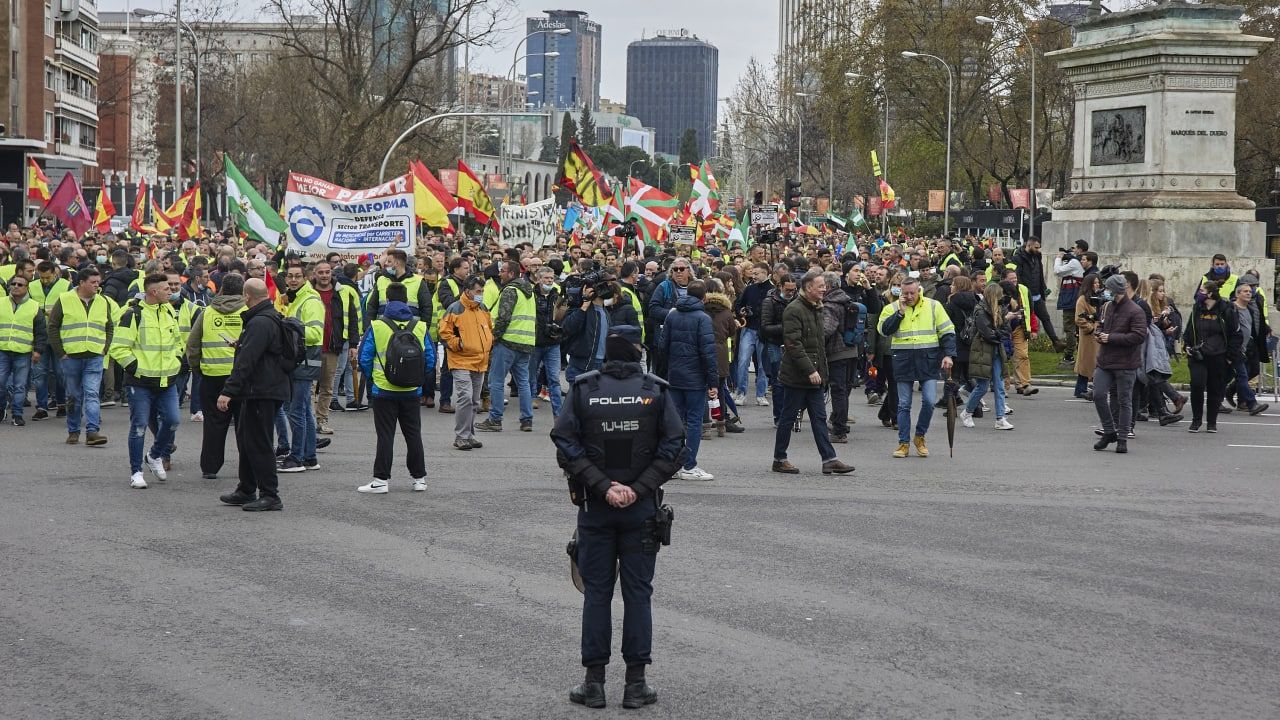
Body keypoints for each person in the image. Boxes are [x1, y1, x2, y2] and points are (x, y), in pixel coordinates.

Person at [550, 325, 686, 711]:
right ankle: (635, 684)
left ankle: (594, 684)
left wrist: (603, 486)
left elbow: (565, 443)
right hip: (641, 508)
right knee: (638, 594)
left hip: (595, 507)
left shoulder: (584, 388)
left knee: (597, 594)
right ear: (636, 350)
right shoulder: (655, 390)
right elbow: (675, 445)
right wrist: (638, 489)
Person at [217, 278, 290, 511]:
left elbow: (246, 362)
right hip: (261, 389)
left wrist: (228, 391)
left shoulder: (259, 322)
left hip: (261, 390)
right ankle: (246, 488)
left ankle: (270, 494)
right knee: (247, 441)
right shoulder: (269, 317)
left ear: (246, 297)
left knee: (259, 443)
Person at [771, 271, 855, 475]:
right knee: (788, 418)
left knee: (819, 418)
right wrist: (810, 370)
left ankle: (829, 459)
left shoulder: (817, 308)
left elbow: (818, 346)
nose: (824, 289)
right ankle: (779, 459)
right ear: (808, 288)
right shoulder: (794, 310)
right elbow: (793, 345)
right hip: (797, 376)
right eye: (820, 286)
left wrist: (821, 373)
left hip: (815, 376)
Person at [355, 282, 435, 494]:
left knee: (385, 435)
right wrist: (417, 379)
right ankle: (419, 478)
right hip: (411, 391)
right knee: (413, 434)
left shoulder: (377, 326)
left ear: (387, 301)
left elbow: (364, 358)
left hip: (384, 389)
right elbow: (430, 359)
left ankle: (381, 480)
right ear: (407, 300)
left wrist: (375, 378)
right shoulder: (419, 326)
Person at [108, 273, 182, 489]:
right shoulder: (132, 314)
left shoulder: (168, 310)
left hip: (166, 380)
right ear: (153, 291)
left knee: (173, 420)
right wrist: (136, 369)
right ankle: (136, 472)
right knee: (139, 426)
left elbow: (178, 341)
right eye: (166, 288)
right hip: (140, 383)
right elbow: (118, 348)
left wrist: (177, 359)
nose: (171, 291)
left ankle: (154, 455)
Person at [877, 277, 957, 459]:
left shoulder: (933, 305)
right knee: (904, 404)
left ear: (919, 290)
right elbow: (883, 330)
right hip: (903, 360)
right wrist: (899, 313)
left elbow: (947, 331)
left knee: (929, 401)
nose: (909, 296)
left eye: (913, 292)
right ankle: (903, 442)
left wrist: (948, 355)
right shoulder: (891, 308)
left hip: (927, 360)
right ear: (900, 292)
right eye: (905, 293)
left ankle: (920, 436)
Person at [186, 272, 246, 479]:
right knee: (244, 425)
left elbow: (193, 344)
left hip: (211, 376)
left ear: (221, 288)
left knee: (213, 423)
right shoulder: (249, 311)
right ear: (242, 290)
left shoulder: (208, 311)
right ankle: (246, 468)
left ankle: (210, 467)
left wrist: (197, 368)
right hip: (241, 378)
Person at [657, 279, 717, 481]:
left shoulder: (672, 315)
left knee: (674, 422)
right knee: (693, 422)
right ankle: (689, 465)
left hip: (675, 375)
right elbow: (708, 352)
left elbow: (663, 347)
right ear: (704, 296)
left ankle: (672, 465)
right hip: (694, 378)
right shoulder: (703, 318)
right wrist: (713, 381)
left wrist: (662, 375)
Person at [48, 265, 112, 446]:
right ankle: (74, 430)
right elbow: (53, 326)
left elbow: (109, 326)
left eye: (98, 282)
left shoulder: (102, 301)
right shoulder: (65, 299)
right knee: (74, 396)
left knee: (92, 393)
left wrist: (104, 348)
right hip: (71, 357)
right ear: (82, 282)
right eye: (93, 282)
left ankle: (92, 431)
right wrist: (61, 352)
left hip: (94, 355)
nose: (97, 286)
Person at [477, 260, 536, 432]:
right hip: (525, 343)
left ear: (511, 274)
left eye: (502, 271)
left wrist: (494, 338)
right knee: (523, 382)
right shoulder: (529, 291)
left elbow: (503, 318)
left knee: (496, 381)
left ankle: (495, 419)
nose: (499, 274)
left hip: (507, 342)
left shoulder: (510, 291)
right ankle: (527, 420)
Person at [1091, 274, 1149, 452]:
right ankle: (1109, 431)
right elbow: (1104, 325)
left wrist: (1112, 338)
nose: (1105, 291)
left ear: (1116, 291)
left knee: (1125, 401)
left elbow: (1139, 335)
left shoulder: (1135, 310)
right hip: (1106, 360)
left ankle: (1122, 438)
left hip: (1126, 362)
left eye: (1107, 288)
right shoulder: (1108, 307)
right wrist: (1100, 333)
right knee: (1098, 394)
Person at [279, 261, 325, 472]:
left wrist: (291, 327)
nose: (293, 279)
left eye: (298, 276)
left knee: (296, 411)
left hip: (303, 362)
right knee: (303, 410)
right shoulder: (297, 299)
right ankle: (308, 457)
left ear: (305, 278)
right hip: (300, 361)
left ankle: (297, 457)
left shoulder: (310, 301)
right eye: (290, 276)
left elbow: (315, 334)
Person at [438, 276, 494, 450]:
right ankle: (461, 436)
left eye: (482, 291)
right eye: (478, 291)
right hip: (461, 360)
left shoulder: (483, 309)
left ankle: (469, 435)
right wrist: (458, 344)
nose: (481, 295)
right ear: (467, 291)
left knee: (474, 400)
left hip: (480, 361)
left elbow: (489, 329)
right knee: (465, 397)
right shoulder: (455, 308)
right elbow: (444, 333)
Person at [1183, 280, 1239, 433]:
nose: (1199, 293)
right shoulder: (1197, 308)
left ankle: (1211, 422)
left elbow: (1235, 334)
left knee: (1215, 388)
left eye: (1201, 290)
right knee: (1197, 385)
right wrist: (1187, 346)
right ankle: (1196, 420)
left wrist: (1229, 357)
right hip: (1198, 355)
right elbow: (1189, 330)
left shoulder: (1225, 310)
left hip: (1218, 355)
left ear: (1210, 293)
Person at [311, 261, 360, 435]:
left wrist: (354, 344)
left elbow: (353, 318)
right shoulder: (307, 292)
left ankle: (321, 421)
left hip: (332, 346)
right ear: (314, 274)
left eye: (327, 272)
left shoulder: (343, 292)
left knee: (327, 387)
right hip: (310, 347)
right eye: (321, 272)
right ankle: (308, 421)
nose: (324, 275)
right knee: (309, 387)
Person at [959, 282, 1014, 430]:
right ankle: (967, 412)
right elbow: (987, 333)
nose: (1002, 297)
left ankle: (1000, 418)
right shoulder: (981, 311)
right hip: (982, 350)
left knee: (999, 385)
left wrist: (997, 333)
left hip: (996, 349)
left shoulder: (1000, 309)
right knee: (982, 386)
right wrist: (998, 333)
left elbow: (1006, 330)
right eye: (999, 295)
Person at [820, 271, 861, 444]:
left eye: (822, 285)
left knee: (838, 391)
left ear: (828, 286)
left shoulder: (830, 305)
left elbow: (826, 330)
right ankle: (839, 424)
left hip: (837, 352)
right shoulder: (846, 299)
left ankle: (839, 430)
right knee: (844, 390)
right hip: (852, 350)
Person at [0, 274, 45, 426]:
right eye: (13, 284)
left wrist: (38, 350)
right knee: (1, 383)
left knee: (20, 385)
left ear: (27, 288)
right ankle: (1, 410)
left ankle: (17, 414)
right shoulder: (1, 303)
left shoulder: (34, 306)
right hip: (2, 350)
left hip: (23, 352)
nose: (16, 287)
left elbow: (40, 331)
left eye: (20, 285)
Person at [702, 282, 744, 435]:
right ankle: (721, 423)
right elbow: (732, 331)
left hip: (703, 351)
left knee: (704, 389)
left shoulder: (701, 310)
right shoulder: (726, 312)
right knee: (719, 388)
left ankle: (705, 425)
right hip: (720, 353)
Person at [433, 255, 472, 414]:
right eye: (465, 268)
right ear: (456, 269)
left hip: (467, 329)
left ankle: (469, 400)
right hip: (450, 330)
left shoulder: (468, 284)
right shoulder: (445, 283)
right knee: (448, 367)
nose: (468, 271)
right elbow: (449, 303)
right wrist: (466, 295)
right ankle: (445, 401)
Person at [1012, 237, 1064, 352]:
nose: (1038, 249)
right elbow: (1018, 277)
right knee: (1025, 321)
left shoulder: (1037, 256)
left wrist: (1044, 288)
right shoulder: (1018, 258)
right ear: (1029, 245)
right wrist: (1021, 294)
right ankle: (1022, 346)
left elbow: (1040, 274)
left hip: (1037, 295)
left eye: (1039, 247)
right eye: (1036, 247)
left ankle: (1056, 342)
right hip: (1025, 295)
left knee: (1046, 318)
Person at [732, 262, 773, 406]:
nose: (753, 276)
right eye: (753, 273)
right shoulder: (749, 289)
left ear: (766, 273)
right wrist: (741, 311)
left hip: (764, 332)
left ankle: (761, 394)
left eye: (756, 274)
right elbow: (737, 304)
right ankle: (741, 392)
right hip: (748, 328)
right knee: (743, 361)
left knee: (762, 364)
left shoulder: (772, 290)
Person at [759, 271, 795, 427]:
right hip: (775, 343)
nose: (791, 293)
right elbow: (765, 327)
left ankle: (791, 414)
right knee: (779, 381)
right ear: (780, 287)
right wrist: (786, 328)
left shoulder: (797, 300)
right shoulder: (770, 301)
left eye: (793, 290)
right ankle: (779, 416)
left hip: (794, 344)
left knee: (794, 382)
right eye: (788, 290)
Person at [1229, 281, 1269, 416]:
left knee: (1235, 376)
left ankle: (1227, 392)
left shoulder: (1250, 309)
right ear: (1237, 294)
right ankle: (1252, 403)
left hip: (1245, 348)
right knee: (1242, 375)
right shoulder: (1232, 308)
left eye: (1250, 292)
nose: (1248, 293)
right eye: (1245, 291)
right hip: (1234, 349)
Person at [529, 266, 564, 418]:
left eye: (552, 278)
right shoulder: (530, 295)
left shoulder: (557, 296)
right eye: (547, 278)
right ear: (539, 279)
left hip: (552, 343)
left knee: (554, 379)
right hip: (535, 343)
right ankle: (528, 411)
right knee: (530, 377)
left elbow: (562, 317)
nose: (550, 281)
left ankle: (559, 414)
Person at [1074, 274, 1103, 400]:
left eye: (1098, 282)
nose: (1097, 285)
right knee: (1086, 362)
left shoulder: (1100, 298)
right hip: (1088, 336)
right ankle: (1081, 389)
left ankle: (1087, 388)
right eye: (1094, 283)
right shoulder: (1083, 300)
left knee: (1096, 362)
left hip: (1098, 335)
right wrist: (1091, 328)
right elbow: (1079, 318)